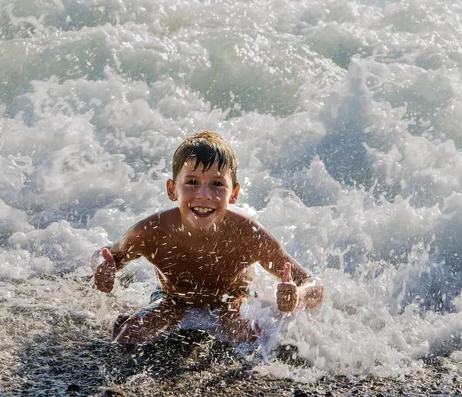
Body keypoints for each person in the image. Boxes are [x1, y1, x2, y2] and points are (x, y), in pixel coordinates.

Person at [92, 131, 324, 344]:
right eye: (192, 182)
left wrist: (297, 297)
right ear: (172, 190)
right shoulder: (152, 232)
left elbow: (313, 285)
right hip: (173, 299)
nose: (204, 195)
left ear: (233, 193)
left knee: (242, 330)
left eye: (217, 184)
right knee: (129, 334)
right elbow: (107, 256)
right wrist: (103, 270)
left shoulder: (247, 234)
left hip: (233, 299)